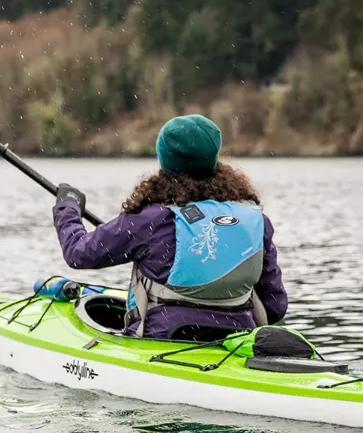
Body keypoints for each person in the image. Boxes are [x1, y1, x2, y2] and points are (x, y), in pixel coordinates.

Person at [51, 114, 289, 340]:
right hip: (236, 340)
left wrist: (67, 208)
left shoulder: (150, 220)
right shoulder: (256, 221)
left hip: (165, 339)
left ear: (164, 160)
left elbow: (78, 253)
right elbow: (275, 307)